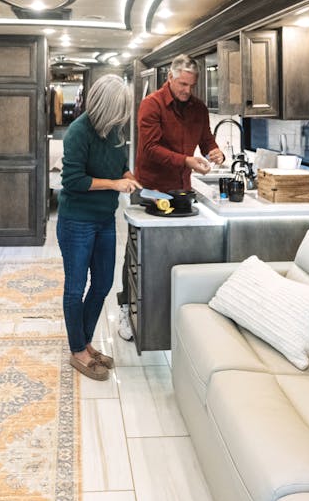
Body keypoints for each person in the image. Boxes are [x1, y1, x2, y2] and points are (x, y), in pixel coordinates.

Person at [117, 54, 224, 340]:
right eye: (182, 84)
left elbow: (206, 139)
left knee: (173, 253)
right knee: (137, 252)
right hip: (150, 189)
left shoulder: (198, 108)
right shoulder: (151, 105)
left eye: (191, 85)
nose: (186, 90)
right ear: (169, 78)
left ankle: (167, 314)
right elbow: (150, 148)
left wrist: (215, 151)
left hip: (182, 190)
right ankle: (126, 308)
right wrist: (186, 160)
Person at [58, 74, 141, 380]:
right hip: (76, 221)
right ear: (106, 107)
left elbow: (119, 166)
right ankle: (78, 350)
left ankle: (86, 342)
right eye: (119, 110)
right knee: (75, 288)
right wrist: (114, 184)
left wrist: (128, 175)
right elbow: (73, 181)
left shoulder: (115, 131)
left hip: (105, 218)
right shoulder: (78, 132)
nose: (123, 117)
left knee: (103, 283)